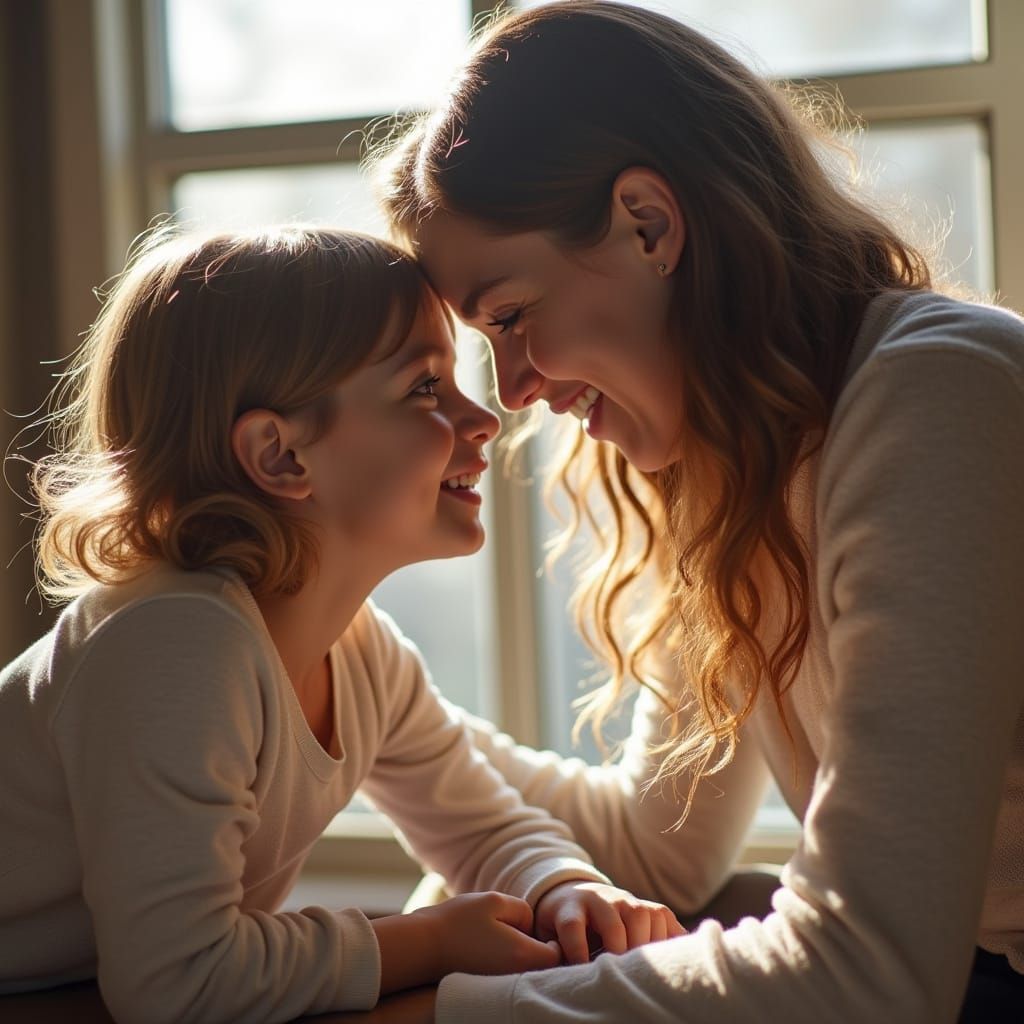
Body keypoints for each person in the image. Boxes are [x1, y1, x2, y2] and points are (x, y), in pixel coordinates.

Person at [373, 1, 1024, 1021]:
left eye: (509, 316)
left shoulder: (939, 398)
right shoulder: (735, 472)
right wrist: (362, 697)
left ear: (649, 223)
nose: (510, 390)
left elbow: (874, 975)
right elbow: (654, 846)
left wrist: (427, 1014)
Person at [0, 225, 685, 1024]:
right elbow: (178, 985)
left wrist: (568, 890)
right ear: (281, 456)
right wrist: (428, 941)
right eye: (427, 390)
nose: (485, 419)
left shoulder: (360, 651)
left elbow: (482, 828)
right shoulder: (174, 646)